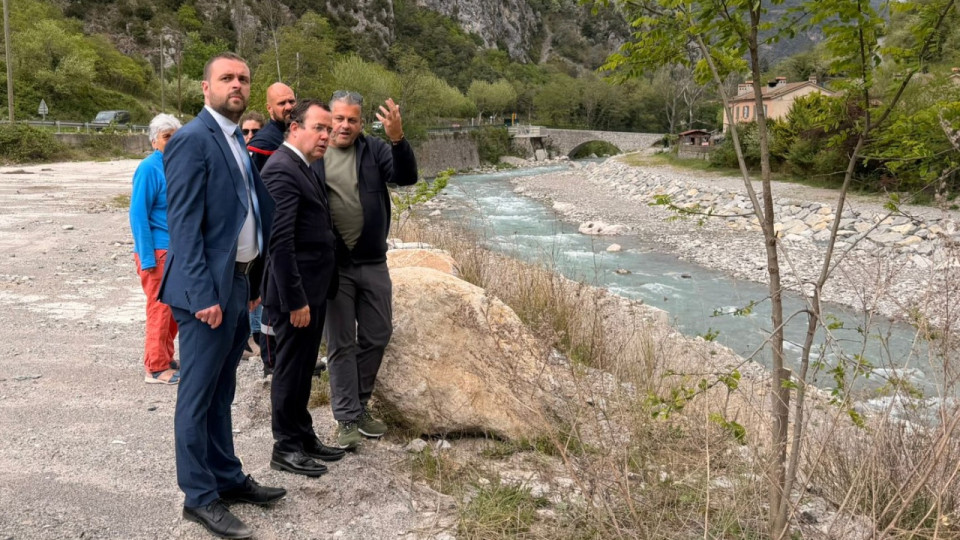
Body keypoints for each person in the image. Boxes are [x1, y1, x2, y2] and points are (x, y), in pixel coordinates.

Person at [160, 52, 281, 540]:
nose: (237, 85)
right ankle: (199, 497)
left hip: (236, 283)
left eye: (244, 79)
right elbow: (183, 226)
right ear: (205, 88)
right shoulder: (192, 140)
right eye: (227, 78)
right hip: (205, 291)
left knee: (222, 390)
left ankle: (226, 478)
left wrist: (251, 285)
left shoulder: (235, 138)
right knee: (196, 396)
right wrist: (201, 292)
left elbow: (243, 218)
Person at [310, 90, 418, 450]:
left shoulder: (374, 150)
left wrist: (398, 138)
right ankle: (347, 417)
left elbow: (406, 177)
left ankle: (358, 403)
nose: (344, 126)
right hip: (335, 266)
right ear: (329, 118)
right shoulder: (316, 151)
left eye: (351, 120)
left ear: (360, 123)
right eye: (338, 118)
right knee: (340, 343)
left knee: (378, 333)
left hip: (372, 260)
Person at [260, 99, 345, 476]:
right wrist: (296, 299)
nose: (326, 135)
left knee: (303, 367)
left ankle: (303, 433)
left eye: (329, 130)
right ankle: (286, 446)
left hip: (313, 289)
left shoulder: (303, 165)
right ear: (295, 127)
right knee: (290, 370)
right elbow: (280, 243)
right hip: (295, 294)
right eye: (319, 128)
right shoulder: (281, 168)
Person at [247, 82, 296, 376]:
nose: (288, 106)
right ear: (269, 108)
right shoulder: (264, 142)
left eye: (291, 100)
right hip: (271, 230)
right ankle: (271, 361)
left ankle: (291, 356)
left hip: (293, 230)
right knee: (271, 298)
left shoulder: (295, 134)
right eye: (281, 103)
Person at [130, 113, 182, 385]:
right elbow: (138, 215)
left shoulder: (176, 166)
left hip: (175, 252)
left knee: (173, 310)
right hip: (158, 253)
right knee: (159, 309)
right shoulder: (149, 169)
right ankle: (156, 367)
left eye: (176, 135)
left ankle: (167, 357)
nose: (172, 142)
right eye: (167, 137)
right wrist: (147, 256)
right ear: (154, 142)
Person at [239, 111, 265, 360]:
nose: (249, 136)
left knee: (259, 287)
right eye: (245, 131)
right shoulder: (237, 159)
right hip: (243, 238)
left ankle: (256, 335)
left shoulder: (266, 159)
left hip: (262, 236)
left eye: (255, 132)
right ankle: (246, 337)